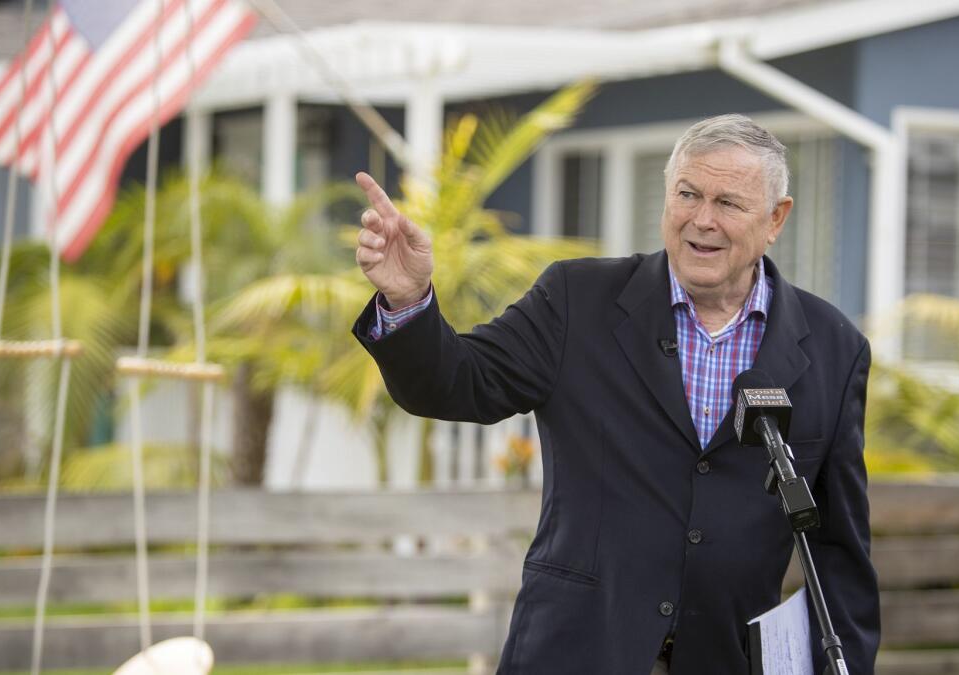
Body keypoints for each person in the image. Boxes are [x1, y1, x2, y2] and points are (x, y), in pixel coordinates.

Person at [350, 114, 880, 674]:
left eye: (728, 203)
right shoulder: (576, 299)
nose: (702, 220)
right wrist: (409, 302)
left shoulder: (833, 348)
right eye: (688, 194)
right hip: (575, 651)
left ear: (776, 219)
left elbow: (840, 556)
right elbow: (458, 384)